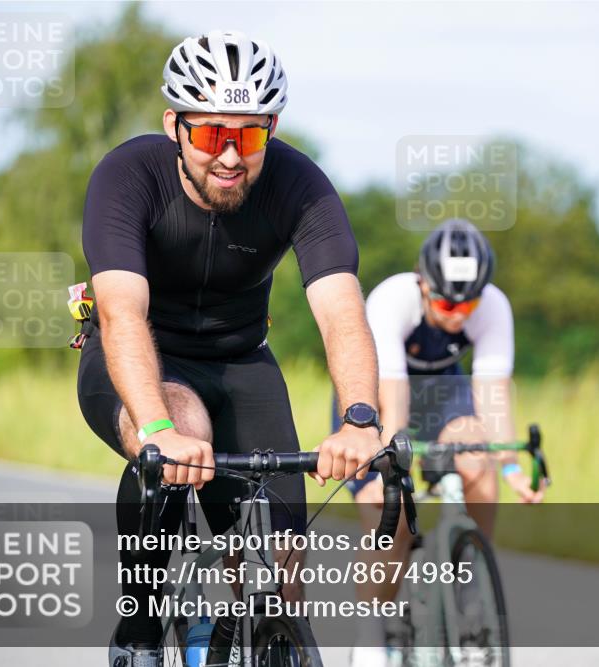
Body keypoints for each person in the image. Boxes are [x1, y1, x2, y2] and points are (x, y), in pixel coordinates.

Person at [76, 30, 384, 666]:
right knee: (177, 433)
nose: (229, 157)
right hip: (141, 359)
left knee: (281, 579)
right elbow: (122, 312)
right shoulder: (127, 176)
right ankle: (138, 633)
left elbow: (342, 312)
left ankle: (239, 638)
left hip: (243, 362)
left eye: (247, 137)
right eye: (213, 134)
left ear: (270, 128)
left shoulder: (302, 186)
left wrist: (359, 418)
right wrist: (157, 426)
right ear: (175, 126)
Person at [343, 219, 546, 665]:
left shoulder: (492, 305)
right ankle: (371, 633)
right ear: (423, 281)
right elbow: (392, 399)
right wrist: (388, 466)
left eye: (466, 306)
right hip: (381, 392)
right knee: (389, 513)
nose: (456, 314)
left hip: (445, 395)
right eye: (445, 304)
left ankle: (472, 585)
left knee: (478, 458)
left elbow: (492, 395)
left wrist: (510, 466)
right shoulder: (393, 299)